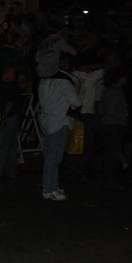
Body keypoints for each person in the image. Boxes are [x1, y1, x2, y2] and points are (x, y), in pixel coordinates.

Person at [38, 68, 81, 201]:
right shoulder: (64, 84)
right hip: (58, 122)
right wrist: (77, 87)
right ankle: (49, 189)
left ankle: (52, 186)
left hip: (46, 120)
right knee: (54, 157)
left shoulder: (43, 81)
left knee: (50, 155)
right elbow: (77, 103)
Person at [0, 67, 23, 179]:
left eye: (5, 73)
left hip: (7, 119)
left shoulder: (10, 87)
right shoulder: (13, 86)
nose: (3, 75)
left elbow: (9, 103)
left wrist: (3, 117)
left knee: (0, 146)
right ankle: (10, 171)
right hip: (12, 118)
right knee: (10, 146)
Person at [97, 69, 128, 189]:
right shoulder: (117, 92)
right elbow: (112, 109)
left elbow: (100, 108)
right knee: (112, 151)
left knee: (109, 150)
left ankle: (106, 175)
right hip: (114, 124)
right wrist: (121, 120)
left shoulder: (106, 90)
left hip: (105, 123)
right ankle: (107, 177)